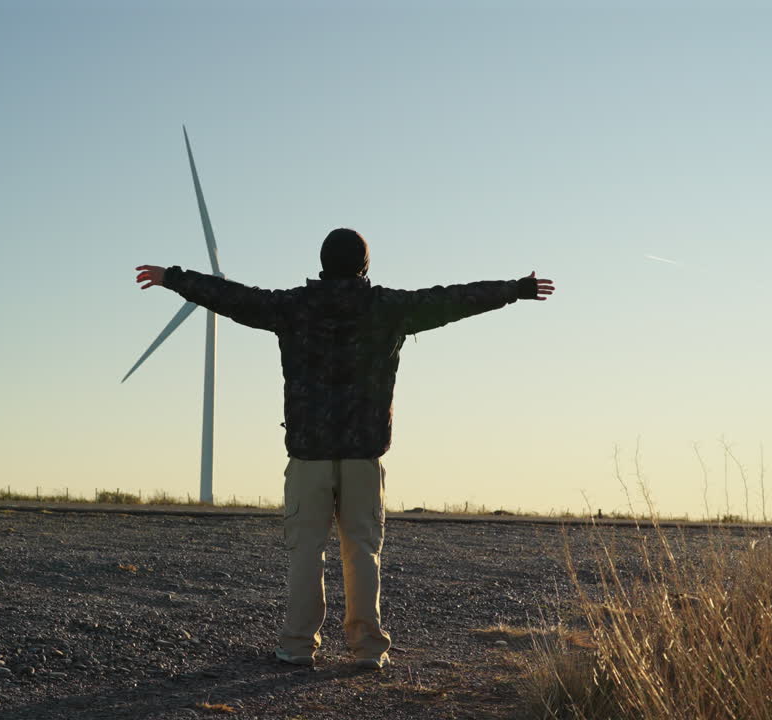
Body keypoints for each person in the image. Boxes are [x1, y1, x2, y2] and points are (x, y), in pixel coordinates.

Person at [133, 228, 555, 670]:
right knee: (363, 551)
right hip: (363, 454)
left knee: (305, 551)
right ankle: (367, 649)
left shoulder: (293, 307)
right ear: (364, 265)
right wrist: (515, 290)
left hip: (308, 453)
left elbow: (233, 297)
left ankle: (297, 645)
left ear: (322, 262)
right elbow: (453, 299)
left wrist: (173, 278)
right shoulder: (389, 308)